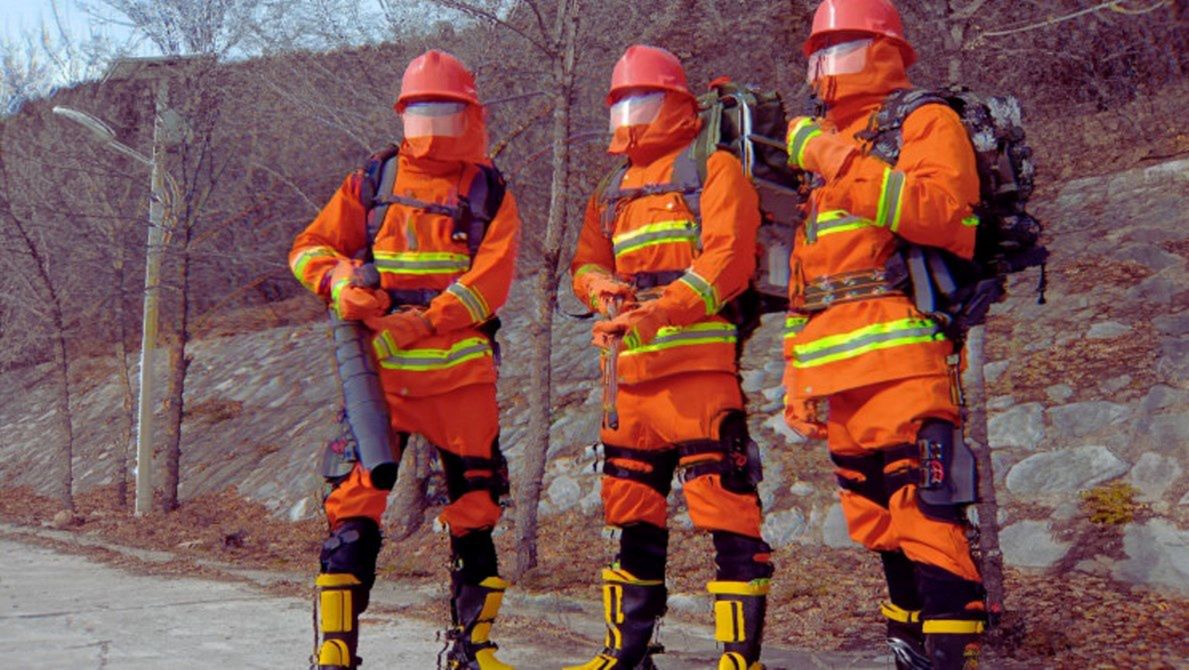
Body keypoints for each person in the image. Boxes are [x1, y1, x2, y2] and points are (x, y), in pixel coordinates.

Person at [289, 49, 520, 670]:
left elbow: (488, 285)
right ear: (403, 114)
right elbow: (309, 247)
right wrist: (339, 281)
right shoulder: (373, 178)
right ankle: (336, 651)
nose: (432, 124)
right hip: (379, 376)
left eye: (444, 111)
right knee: (353, 502)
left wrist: (424, 321)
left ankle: (475, 649)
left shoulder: (487, 188)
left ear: (469, 114)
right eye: (421, 111)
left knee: (477, 504)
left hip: (459, 372)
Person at [781, 1, 986, 668]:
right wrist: (796, 375)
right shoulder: (823, 148)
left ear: (885, 50)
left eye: (842, 51)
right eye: (819, 55)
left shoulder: (924, 121)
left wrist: (834, 158)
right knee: (875, 525)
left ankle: (949, 659)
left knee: (926, 517)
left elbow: (940, 215)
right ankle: (906, 654)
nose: (826, 70)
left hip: (905, 360)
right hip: (836, 375)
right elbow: (805, 280)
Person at [565, 44, 773, 670]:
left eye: (644, 100)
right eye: (624, 103)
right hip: (627, 380)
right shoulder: (609, 189)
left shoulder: (713, 169)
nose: (632, 114)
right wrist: (599, 285)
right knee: (630, 512)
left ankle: (738, 656)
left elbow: (728, 261)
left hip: (699, 378)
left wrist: (661, 309)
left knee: (727, 509)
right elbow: (586, 260)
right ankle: (626, 653)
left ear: (679, 103)